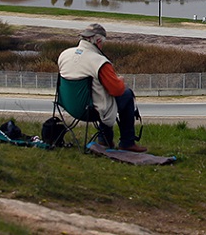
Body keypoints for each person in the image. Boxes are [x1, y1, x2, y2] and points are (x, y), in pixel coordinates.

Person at [57, 23, 147, 152]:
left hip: (69, 106)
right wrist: (120, 81)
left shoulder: (64, 55)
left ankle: (105, 140)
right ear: (98, 41)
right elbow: (116, 90)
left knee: (102, 95)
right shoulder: (99, 62)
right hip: (90, 110)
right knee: (126, 94)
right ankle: (126, 142)